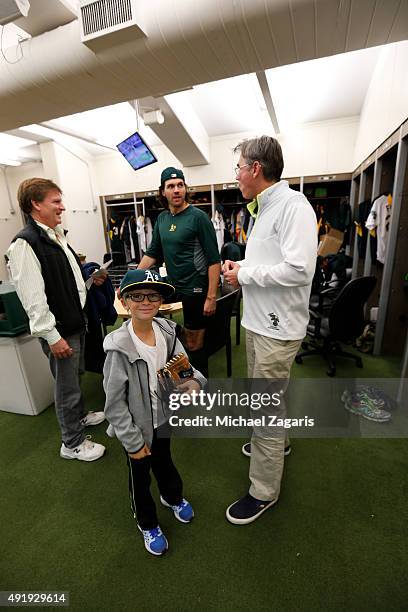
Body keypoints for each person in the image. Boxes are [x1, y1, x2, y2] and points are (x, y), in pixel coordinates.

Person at [223, 136, 317, 524]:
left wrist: (246, 273)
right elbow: (268, 261)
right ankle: (280, 444)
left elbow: (299, 269)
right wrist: (241, 270)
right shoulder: (265, 208)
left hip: (276, 329)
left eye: (239, 168)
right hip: (259, 324)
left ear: (255, 169)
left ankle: (263, 491)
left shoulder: (294, 207)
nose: (237, 176)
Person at [103, 269, 206, 556]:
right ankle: (147, 523)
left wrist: (193, 382)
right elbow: (113, 405)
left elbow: (183, 368)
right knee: (140, 478)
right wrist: (133, 443)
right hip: (135, 431)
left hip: (163, 421)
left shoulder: (167, 332)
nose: (145, 301)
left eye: (153, 295)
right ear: (124, 301)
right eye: (137, 295)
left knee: (165, 462)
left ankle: (172, 496)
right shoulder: (118, 350)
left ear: (161, 301)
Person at [6, 178, 105, 462]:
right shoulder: (25, 244)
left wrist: (90, 282)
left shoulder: (56, 235)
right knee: (66, 386)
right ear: (35, 204)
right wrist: (52, 336)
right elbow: (33, 299)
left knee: (74, 378)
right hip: (59, 329)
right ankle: (71, 443)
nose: (62, 207)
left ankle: (81, 417)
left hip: (75, 321)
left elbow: (64, 280)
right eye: (56, 201)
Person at [138, 167, 221, 376]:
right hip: (172, 286)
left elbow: (214, 260)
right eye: (171, 186)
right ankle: (171, 373)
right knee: (156, 321)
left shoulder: (198, 217)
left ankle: (201, 385)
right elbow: (153, 253)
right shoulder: (162, 220)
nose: (176, 190)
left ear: (185, 189)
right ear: (163, 192)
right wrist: (134, 278)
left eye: (180, 185)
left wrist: (211, 296)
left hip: (196, 289)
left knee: (194, 342)